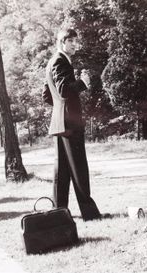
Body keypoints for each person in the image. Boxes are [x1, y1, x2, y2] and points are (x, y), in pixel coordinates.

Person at [43, 28, 101, 221]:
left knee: (63, 171)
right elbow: (64, 91)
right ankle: (90, 214)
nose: (76, 45)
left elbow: (47, 96)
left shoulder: (52, 62)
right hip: (69, 124)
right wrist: (83, 83)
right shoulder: (60, 61)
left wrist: (61, 109)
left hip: (60, 123)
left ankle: (59, 212)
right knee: (79, 168)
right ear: (62, 42)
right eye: (72, 41)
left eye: (77, 41)